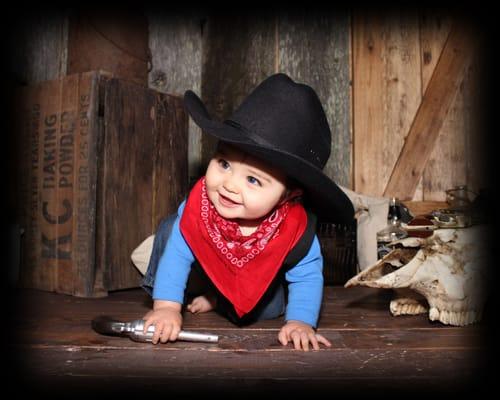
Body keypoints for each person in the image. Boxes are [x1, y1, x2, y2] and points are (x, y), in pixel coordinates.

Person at [137, 73, 354, 351]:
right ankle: (209, 292)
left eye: (253, 180)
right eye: (224, 164)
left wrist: (301, 321)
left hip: (259, 282)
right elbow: (178, 256)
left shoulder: (294, 230)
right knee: (172, 229)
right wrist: (167, 307)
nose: (229, 185)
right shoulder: (201, 205)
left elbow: (307, 276)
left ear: (288, 195)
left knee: (269, 308)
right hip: (203, 269)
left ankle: (221, 300)